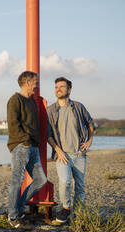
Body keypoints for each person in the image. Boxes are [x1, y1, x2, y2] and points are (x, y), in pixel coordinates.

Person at [47, 77, 94, 223]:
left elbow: (90, 124)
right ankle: (66, 208)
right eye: (56, 87)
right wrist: (57, 150)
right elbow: (48, 135)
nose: (58, 89)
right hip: (62, 155)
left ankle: (78, 213)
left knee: (80, 186)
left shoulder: (78, 107)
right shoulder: (51, 110)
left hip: (79, 154)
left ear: (69, 89)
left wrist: (89, 140)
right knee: (65, 181)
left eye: (62, 86)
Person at [7, 71, 47, 228]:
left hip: (33, 147)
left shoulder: (31, 101)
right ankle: (12, 217)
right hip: (21, 145)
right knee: (17, 180)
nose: (37, 84)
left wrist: (33, 143)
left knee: (41, 180)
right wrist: (25, 142)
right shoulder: (14, 100)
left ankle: (18, 208)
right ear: (27, 82)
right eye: (35, 81)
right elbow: (13, 124)